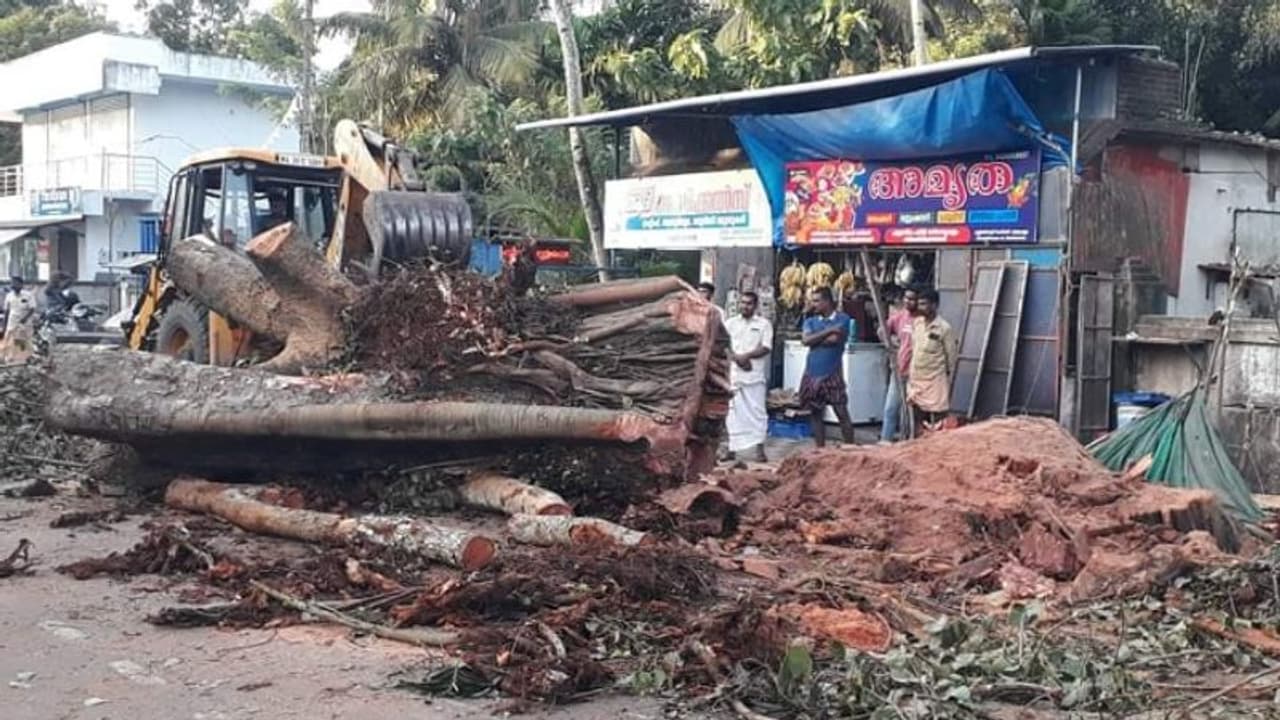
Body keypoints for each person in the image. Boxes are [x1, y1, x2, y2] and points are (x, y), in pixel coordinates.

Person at [800, 286, 855, 446]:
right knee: (816, 414)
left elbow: (834, 341)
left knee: (841, 413)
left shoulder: (843, 319)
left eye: (817, 301)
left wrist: (814, 339)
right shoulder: (810, 320)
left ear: (827, 301)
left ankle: (850, 449)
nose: (813, 305)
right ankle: (820, 450)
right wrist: (829, 330)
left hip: (832, 372)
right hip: (812, 373)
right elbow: (805, 340)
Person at [724, 291, 773, 462]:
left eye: (749, 303)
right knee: (732, 414)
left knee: (758, 413)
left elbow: (766, 347)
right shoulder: (730, 323)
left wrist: (747, 356)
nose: (745, 306)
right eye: (743, 303)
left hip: (754, 377)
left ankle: (759, 450)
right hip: (734, 376)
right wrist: (737, 358)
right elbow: (724, 345)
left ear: (756, 305)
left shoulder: (764, 324)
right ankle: (731, 450)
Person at [907, 288, 958, 430]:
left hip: (935, 381)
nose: (920, 307)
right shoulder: (917, 324)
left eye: (924, 304)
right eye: (919, 304)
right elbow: (914, 349)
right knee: (917, 420)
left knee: (938, 421)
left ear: (934, 305)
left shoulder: (944, 328)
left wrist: (945, 375)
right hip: (916, 380)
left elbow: (951, 358)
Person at [879, 285, 918, 443]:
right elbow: (882, 330)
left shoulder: (922, 320)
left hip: (916, 372)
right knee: (891, 408)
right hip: (899, 369)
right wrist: (890, 342)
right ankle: (885, 440)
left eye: (912, 299)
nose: (908, 301)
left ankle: (907, 442)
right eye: (906, 298)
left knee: (909, 413)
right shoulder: (900, 317)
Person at [2, 275, 37, 361]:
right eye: (12, 283)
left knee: (26, 340)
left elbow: (32, 309)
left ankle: (29, 357)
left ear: (21, 284)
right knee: (8, 339)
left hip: (25, 323)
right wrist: (4, 325)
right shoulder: (9, 296)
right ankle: (6, 357)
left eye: (16, 283)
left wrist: (25, 319)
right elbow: (6, 311)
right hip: (12, 321)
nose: (14, 285)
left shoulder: (28, 295)